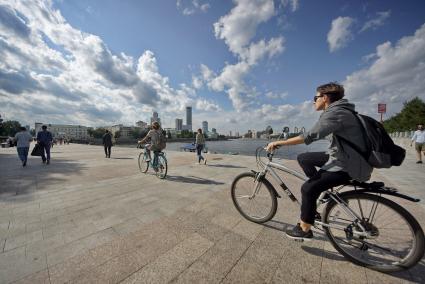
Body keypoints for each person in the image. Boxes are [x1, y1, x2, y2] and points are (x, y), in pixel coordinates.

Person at [266, 82, 372, 241]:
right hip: (343, 157)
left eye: (315, 98)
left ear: (325, 97)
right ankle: (321, 192)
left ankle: (305, 229)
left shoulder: (336, 113)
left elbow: (308, 136)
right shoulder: (339, 110)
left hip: (348, 164)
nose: (313, 101)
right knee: (304, 158)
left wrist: (277, 143)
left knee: (307, 189)